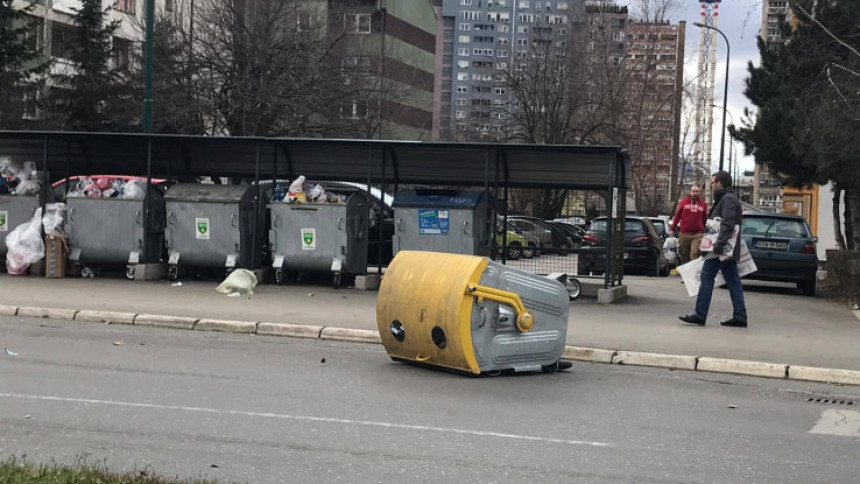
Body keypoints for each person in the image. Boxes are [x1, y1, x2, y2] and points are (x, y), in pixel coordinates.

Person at [679, 171, 747, 327]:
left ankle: (700, 314)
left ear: (720, 184)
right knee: (733, 280)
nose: (711, 185)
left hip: (720, 248)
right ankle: (740, 315)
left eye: (713, 182)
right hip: (725, 248)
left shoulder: (728, 199)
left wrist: (718, 246)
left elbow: (727, 224)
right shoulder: (727, 198)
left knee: (706, 276)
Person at [670, 185, 707, 265]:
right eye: (693, 191)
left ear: (699, 192)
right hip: (684, 233)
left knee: (694, 254)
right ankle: (686, 274)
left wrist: (704, 231)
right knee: (684, 255)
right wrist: (672, 229)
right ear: (690, 192)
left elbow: (705, 219)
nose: (695, 193)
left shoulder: (703, 205)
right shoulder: (683, 203)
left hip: (697, 234)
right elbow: (677, 216)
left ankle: (694, 273)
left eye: (697, 191)